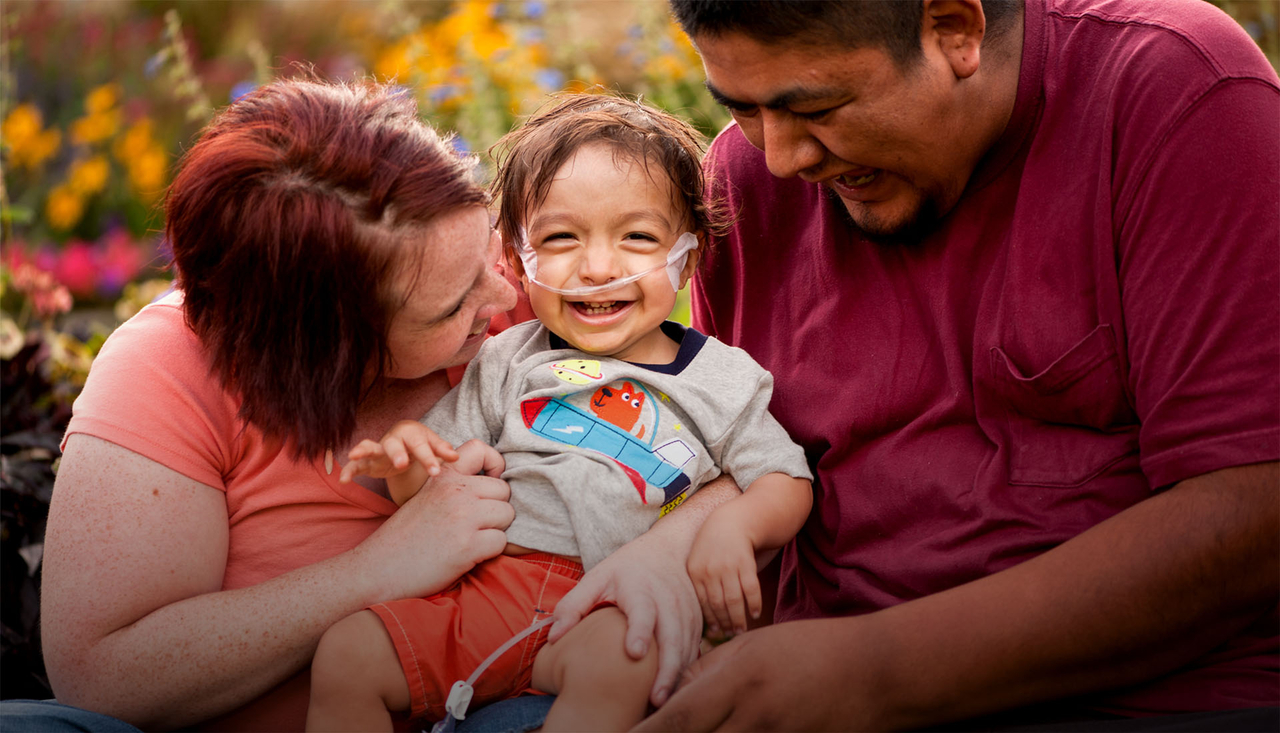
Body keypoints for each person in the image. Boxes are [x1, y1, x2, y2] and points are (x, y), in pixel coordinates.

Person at [633, 0, 1280, 730]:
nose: (781, 158)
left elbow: (1253, 506)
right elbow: (740, 467)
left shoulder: (1174, 90)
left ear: (954, 29)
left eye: (815, 109)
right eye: (743, 108)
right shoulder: (745, 181)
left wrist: (868, 673)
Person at [17, 78, 735, 733]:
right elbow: (104, 678)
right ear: (329, 349)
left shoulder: (543, 303)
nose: (501, 296)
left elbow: (732, 441)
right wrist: (377, 570)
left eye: (488, 246)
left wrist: (661, 553)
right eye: (452, 307)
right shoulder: (166, 368)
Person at [305, 93, 813, 732]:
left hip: (612, 607)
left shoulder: (723, 379)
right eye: (561, 238)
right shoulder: (507, 359)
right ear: (518, 263)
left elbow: (785, 477)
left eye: (637, 237)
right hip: (489, 592)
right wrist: (412, 457)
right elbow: (432, 493)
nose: (598, 268)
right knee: (347, 653)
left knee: (625, 660)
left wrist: (735, 529)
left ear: (688, 257)